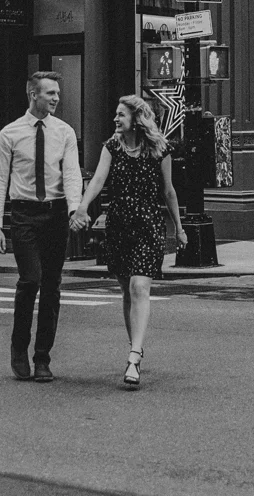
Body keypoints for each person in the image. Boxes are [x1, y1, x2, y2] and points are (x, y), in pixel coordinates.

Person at [79, 95, 184, 390]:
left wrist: (179, 227)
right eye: (115, 114)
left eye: (120, 115)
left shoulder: (159, 149)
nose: (115, 119)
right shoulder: (112, 147)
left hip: (148, 225)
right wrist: (83, 206)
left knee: (140, 286)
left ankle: (134, 357)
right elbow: (98, 180)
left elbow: (169, 191)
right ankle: (134, 344)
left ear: (136, 119)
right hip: (119, 225)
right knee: (126, 289)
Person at [0, 71, 84, 382]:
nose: (56, 98)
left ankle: (42, 358)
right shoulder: (10, 134)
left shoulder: (65, 132)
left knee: (52, 287)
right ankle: (19, 349)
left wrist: (74, 209)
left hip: (56, 215)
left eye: (57, 92)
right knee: (31, 280)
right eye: (50, 93)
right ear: (33, 95)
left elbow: (71, 174)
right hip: (24, 214)